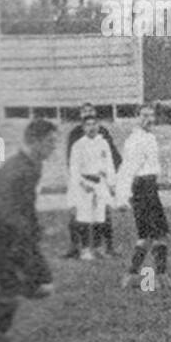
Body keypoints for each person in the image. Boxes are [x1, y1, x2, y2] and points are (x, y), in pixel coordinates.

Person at [0, 119, 60, 342]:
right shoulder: (16, 170)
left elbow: (26, 205)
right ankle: (0, 332)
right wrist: (25, 232)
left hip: (19, 237)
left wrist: (35, 229)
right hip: (0, 238)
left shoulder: (34, 164)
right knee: (18, 293)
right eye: (51, 142)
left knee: (43, 287)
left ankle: (1, 292)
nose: (54, 147)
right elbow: (5, 209)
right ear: (35, 141)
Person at [115, 105, 171, 291]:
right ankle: (149, 278)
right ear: (136, 117)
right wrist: (122, 197)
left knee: (154, 235)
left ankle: (141, 276)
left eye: (151, 115)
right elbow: (127, 169)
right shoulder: (135, 139)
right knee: (152, 235)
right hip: (142, 188)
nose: (149, 119)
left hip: (149, 187)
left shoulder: (149, 137)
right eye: (144, 116)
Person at [62, 103, 120, 258]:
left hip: (100, 182)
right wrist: (81, 184)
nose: (91, 127)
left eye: (94, 124)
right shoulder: (77, 144)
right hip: (84, 183)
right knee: (83, 216)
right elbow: (74, 167)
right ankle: (84, 249)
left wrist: (112, 183)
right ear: (83, 126)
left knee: (100, 216)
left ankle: (101, 248)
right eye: (88, 125)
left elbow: (109, 163)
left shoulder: (103, 142)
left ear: (98, 124)